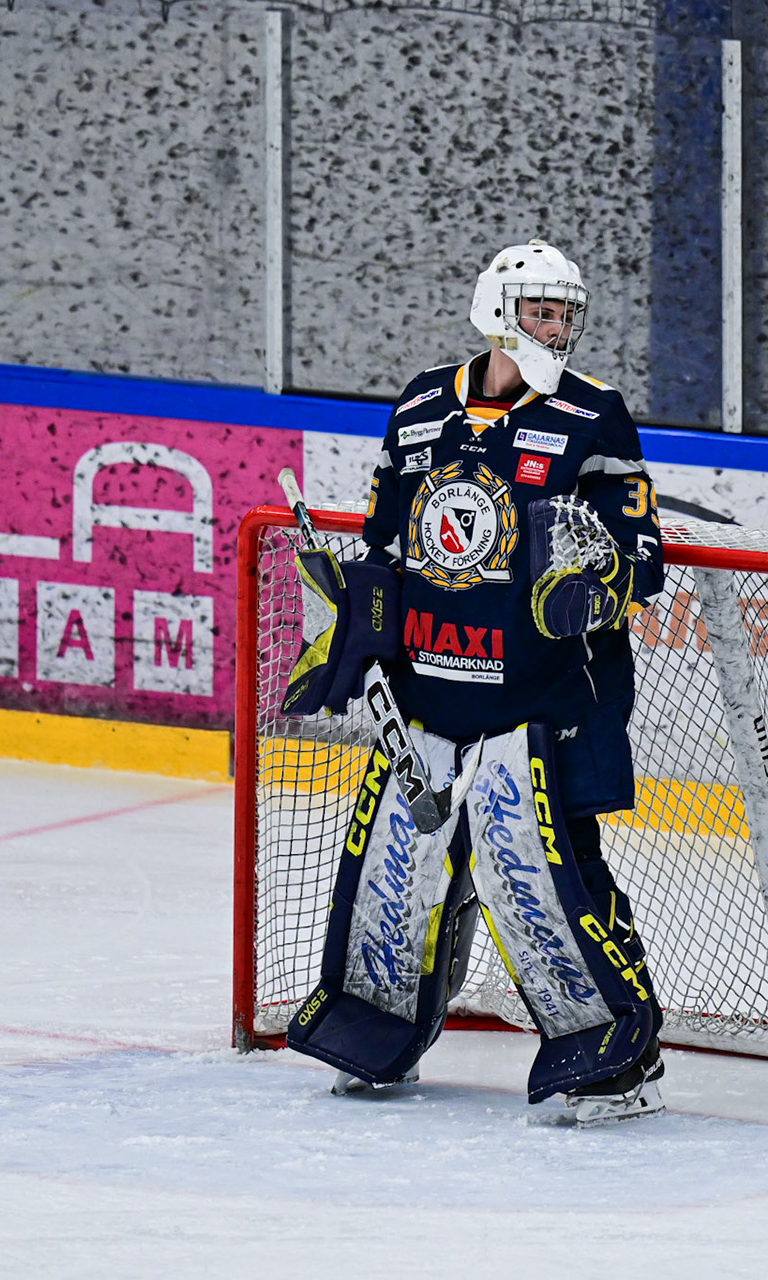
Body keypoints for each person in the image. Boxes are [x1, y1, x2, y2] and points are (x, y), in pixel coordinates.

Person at [283, 241, 668, 1123]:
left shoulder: (594, 414)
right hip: (425, 700)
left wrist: (596, 585)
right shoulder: (423, 403)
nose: (557, 329)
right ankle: (375, 1035)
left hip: (536, 707)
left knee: (550, 887)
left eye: (566, 314)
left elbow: (642, 554)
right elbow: (386, 540)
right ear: (498, 310)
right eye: (542, 311)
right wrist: (357, 616)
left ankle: (621, 1060)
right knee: (392, 878)